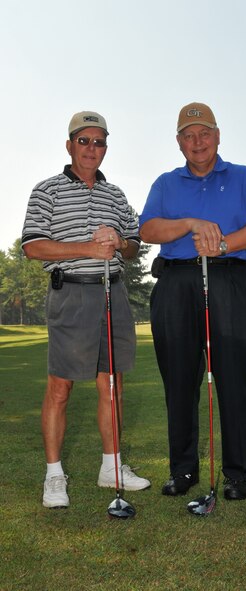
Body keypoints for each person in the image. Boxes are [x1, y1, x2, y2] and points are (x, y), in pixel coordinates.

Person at [139, 102, 246, 500]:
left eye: (204, 133)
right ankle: (183, 472)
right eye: (188, 135)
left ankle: (238, 474)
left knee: (234, 379)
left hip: (231, 278)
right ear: (179, 142)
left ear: (217, 136)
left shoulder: (243, 176)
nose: (197, 142)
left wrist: (224, 243)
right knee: (179, 381)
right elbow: (147, 229)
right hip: (177, 282)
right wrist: (189, 224)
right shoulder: (166, 183)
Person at [22, 111, 150, 509]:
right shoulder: (48, 190)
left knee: (112, 385)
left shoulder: (115, 195)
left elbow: (134, 243)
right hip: (71, 294)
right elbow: (32, 246)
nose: (92, 148)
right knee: (60, 388)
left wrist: (119, 241)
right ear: (69, 145)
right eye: (84, 141)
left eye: (99, 142)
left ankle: (111, 467)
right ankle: (54, 476)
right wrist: (87, 248)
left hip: (113, 292)